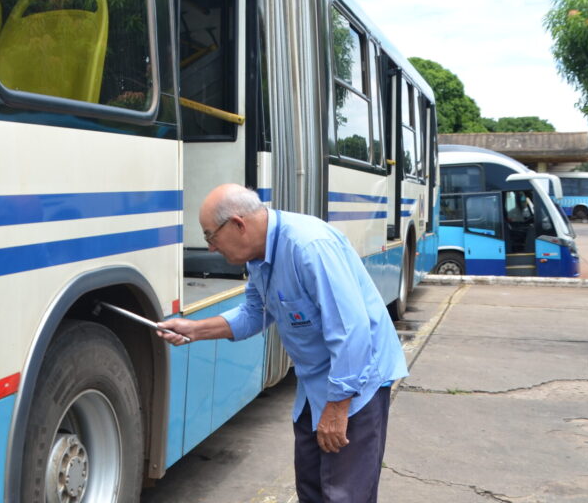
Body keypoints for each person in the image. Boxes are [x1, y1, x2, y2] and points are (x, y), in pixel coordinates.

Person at [157, 184, 406, 503]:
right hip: (315, 383)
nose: (210, 249)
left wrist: (338, 405)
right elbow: (253, 313)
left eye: (210, 236)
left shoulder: (309, 246)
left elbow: (351, 329)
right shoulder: (258, 259)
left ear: (237, 224)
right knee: (311, 488)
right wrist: (194, 329)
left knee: (345, 494)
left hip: (358, 380)